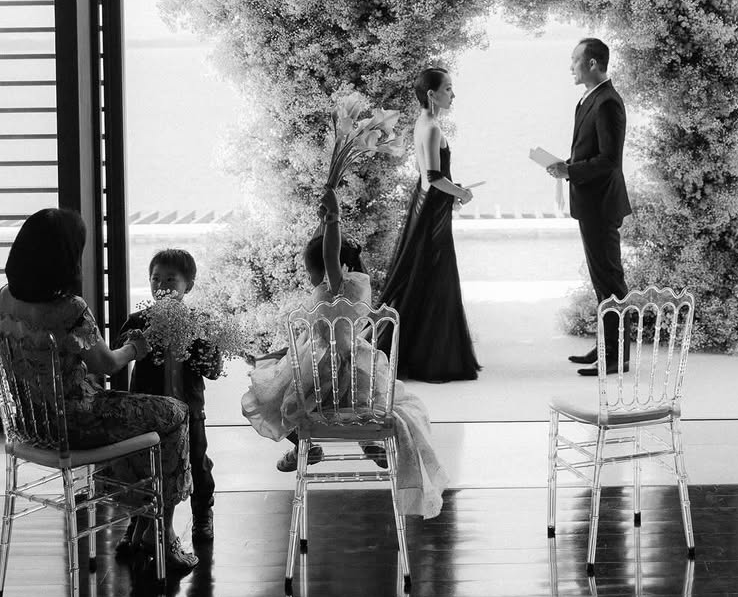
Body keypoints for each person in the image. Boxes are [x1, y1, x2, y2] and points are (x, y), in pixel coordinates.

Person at [0, 208, 198, 574]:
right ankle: (163, 533)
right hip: (79, 423)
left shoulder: (4, 300)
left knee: (138, 419)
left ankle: (139, 523)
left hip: (29, 427)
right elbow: (106, 364)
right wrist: (135, 349)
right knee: (176, 412)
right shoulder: (69, 309)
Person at [241, 186, 448, 517]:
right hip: (355, 373)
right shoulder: (355, 284)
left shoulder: (336, 284)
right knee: (357, 403)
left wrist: (334, 216)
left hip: (325, 371)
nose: (310, 278)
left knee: (270, 398)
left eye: (311, 272)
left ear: (331, 268)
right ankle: (368, 442)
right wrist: (324, 220)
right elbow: (325, 250)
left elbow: (328, 255)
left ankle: (304, 447)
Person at [116, 248, 222, 553]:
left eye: (170, 280)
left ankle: (202, 514)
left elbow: (213, 370)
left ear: (189, 285)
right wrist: (141, 338)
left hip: (189, 410)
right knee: (143, 466)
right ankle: (137, 522)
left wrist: (205, 347)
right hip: (147, 411)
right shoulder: (139, 320)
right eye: (155, 279)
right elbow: (118, 354)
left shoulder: (199, 322)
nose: (161, 286)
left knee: (197, 462)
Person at [378, 66, 480, 383]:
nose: (453, 94)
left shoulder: (422, 123)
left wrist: (453, 192)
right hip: (432, 209)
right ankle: (434, 359)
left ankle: (413, 351)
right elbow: (434, 177)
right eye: (448, 88)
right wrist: (461, 193)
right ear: (432, 94)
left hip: (425, 202)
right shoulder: (433, 128)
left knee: (423, 275)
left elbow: (427, 176)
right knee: (438, 277)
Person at [547, 38, 631, 376]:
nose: (571, 66)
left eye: (575, 60)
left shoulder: (608, 102)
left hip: (602, 204)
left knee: (610, 281)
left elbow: (609, 160)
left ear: (592, 63)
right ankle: (607, 346)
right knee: (602, 282)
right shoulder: (589, 99)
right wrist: (566, 166)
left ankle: (617, 355)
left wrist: (570, 171)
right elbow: (590, 152)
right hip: (590, 202)